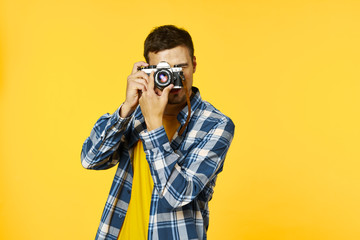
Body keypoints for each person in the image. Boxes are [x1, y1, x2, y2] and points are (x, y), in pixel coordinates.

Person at [81, 25, 235, 240]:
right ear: (148, 71)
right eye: (164, 71)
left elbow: (178, 195)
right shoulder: (136, 111)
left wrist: (154, 123)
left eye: (180, 67)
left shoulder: (215, 125)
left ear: (194, 65)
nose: (173, 79)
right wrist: (126, 107)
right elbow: (91, 159)